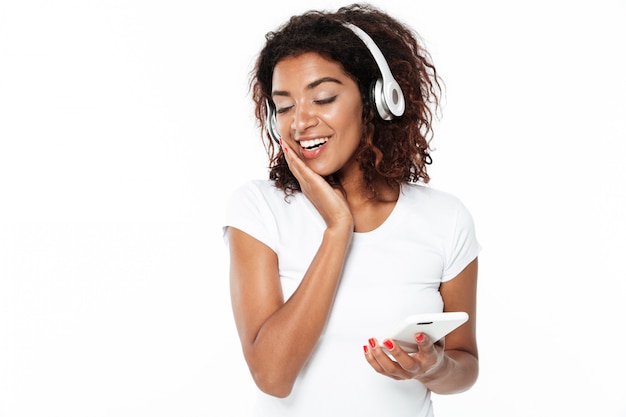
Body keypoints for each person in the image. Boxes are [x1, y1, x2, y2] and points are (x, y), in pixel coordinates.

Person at [223, 3, 481, 416]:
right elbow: (272, 376)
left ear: (376, 99)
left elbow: (466, 366)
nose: (300, 122)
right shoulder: (259, 209)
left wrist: (433, 367)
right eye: (284, 106)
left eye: (323, 98)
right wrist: (337, 228)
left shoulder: (444, 218)